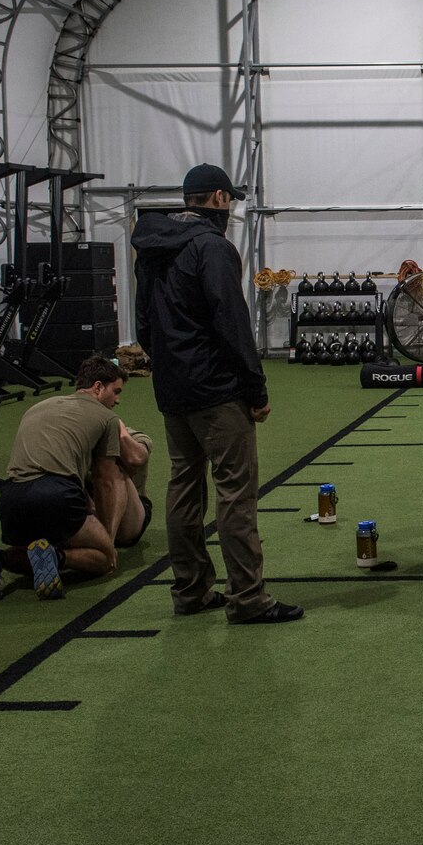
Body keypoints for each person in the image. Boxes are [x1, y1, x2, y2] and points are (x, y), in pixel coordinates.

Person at [133, 162, 300, 624]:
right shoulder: (214, 248)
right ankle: (247, 597)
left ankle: (190, 591)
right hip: (216, 391)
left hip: (172, 388)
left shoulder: (150, 246)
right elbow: (232, 322)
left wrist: (169, 363)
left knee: (183, 487)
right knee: (235, 494)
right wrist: (255, 387)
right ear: (220, 199)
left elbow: (143, 323)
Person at [0, 354, 152, 601]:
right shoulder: (107, 418)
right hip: (57, 494)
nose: (117, 400)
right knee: (105, 560)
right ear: (98, 387)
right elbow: (106, 479)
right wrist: (107, 540)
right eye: (116, 392)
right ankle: (56, 557)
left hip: (10, 499)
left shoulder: (39, 406)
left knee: (35, 546)